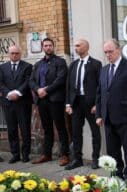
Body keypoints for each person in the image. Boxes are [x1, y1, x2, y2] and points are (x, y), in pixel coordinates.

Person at [96, 39, 127, 190]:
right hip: (108, 118)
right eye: (106, 52)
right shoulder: (103, 70)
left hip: (126, 117)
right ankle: (117, 176)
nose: (108, 55)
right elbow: (100, 93)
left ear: (118, 50)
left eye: (110, 51)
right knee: (112, 150)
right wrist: (99, 114)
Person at [29, 38, 70, 166]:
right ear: (42, 47)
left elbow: (60, 79)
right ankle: (47, 154)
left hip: (55, 100)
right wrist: (37, 90)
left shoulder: (60, 62)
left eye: (50, 45)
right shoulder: (38, 64)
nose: (47, 47)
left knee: (61, 127)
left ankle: (65, 155)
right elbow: (31, 80)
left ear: (53, 46)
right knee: (47, 129)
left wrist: (46, 90)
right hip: (41, 101)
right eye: (45, 45)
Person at [65, 39, 102, 170]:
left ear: (86, 47)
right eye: (75, 45)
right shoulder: (73, 65)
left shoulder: (96, 64)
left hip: (90, 104)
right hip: (76, 103)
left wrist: (98, 104)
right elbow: (68, 85)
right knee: (76, 132)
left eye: (78, 45)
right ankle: (77, 159)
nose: (76, 48)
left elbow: (100, 86)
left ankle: (96, 158)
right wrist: (68, 104)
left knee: (95, 132)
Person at [0, 45, 33, 163]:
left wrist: (18, 93)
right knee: (12, 129)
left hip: (23, 102)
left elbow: (28, 81)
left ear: (20, 54)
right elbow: (1, 83)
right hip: (8, 103)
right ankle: (15, 154)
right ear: (9, 54)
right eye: (12, 53)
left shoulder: (28, 66)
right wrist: (9, 93)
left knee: (25, 129)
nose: (14, 55)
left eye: (16, 53)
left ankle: (25, 154)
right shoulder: (2, 67)